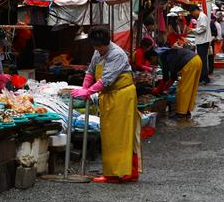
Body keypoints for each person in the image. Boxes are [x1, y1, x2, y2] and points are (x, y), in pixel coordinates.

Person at [71, 27, 141, 183]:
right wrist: (84, 88)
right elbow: (90, 71)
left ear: (106, 43)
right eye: (94, 47)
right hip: (109, 96)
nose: (96, 50)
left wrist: (88, 92)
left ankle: (118, 173)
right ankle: (123, 171)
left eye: (99, 47)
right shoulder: (98, 52)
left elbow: (106, 80)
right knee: (109, 135)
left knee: (121, 135)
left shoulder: (116, 54)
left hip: (122, 96)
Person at [154, 33, 203, 118]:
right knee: (192, 88)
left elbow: (166, 77)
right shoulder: (168, 53)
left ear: (154, 56)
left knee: (183, 89)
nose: (153, 62)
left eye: (152, 60)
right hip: (197, 60)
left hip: (190, 62)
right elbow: (173, 77)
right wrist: (164, 88)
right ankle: (187, 110)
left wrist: (158, 90)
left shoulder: (163, 58)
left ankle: (181, 113)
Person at [191, 6, 211, 84]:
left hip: (203, 41)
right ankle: (203, 77)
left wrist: (193, 30)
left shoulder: (202, 16)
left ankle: (204, 78)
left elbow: (203, 28)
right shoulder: (201, 16)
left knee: (202, 60)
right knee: (202, 60)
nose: (193, 15)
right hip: (202, 41)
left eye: (193, 13)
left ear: (196, 10)